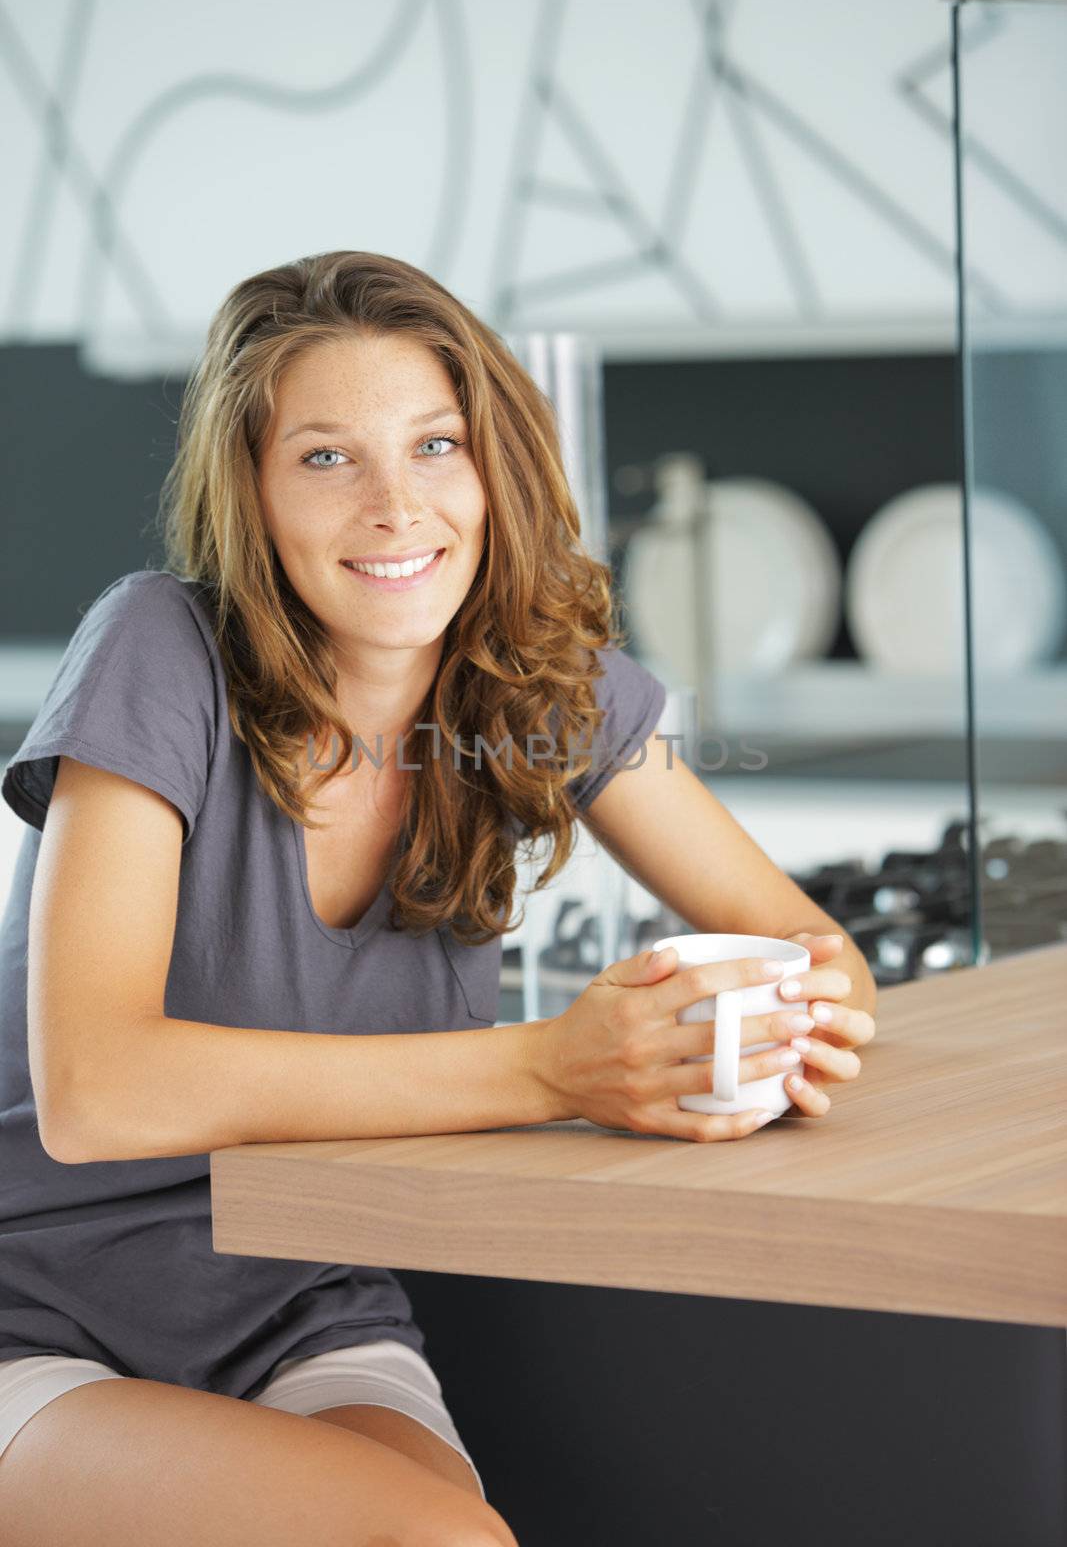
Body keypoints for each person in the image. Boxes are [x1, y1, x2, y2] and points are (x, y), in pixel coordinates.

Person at [0, 250, 875, 1545]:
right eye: (326, 457)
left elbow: (815, 949)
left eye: (435, 444)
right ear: (252, 491)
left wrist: (760, 1027)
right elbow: (96, 1092)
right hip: (35, 1300)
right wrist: (557, 1069)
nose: (395, 507)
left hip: (305, 1304)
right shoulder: (159, 651)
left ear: (493, 466)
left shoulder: (538, 694)